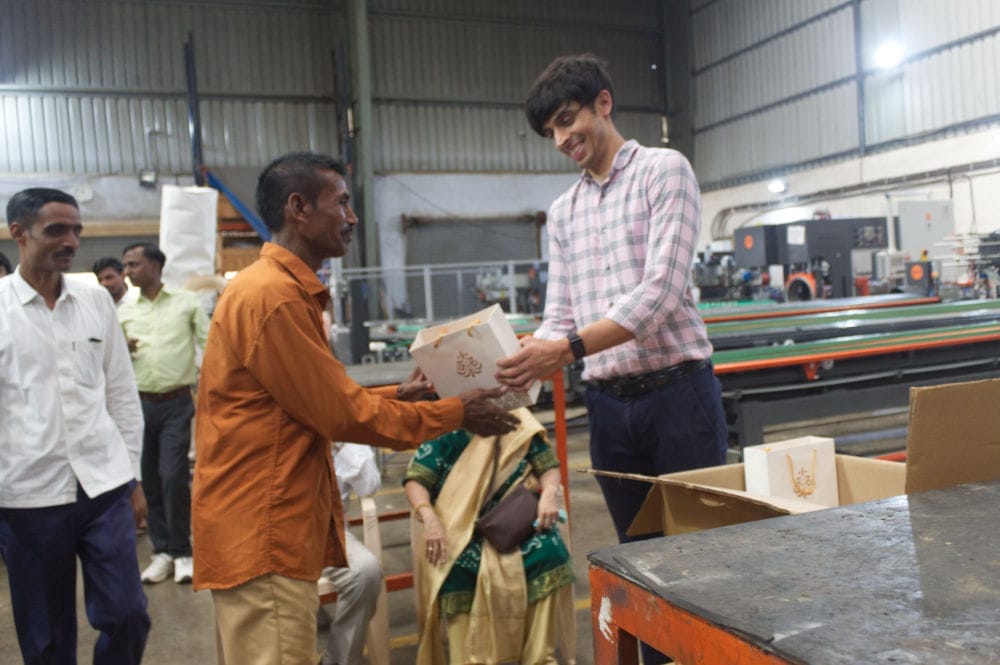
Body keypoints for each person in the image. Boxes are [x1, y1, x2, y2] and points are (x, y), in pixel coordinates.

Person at [191, 151, 520, 665]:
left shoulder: (278, 290)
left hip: (265, 525)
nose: (351, 218)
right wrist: (455, 413)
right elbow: (341, 416)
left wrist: (401, 397)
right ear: (299, 208)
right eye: (342, 202)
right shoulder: (274, 297)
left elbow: (313, 401)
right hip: (262, 531)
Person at [496, 55, 728, 664]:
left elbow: (661, 293)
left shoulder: (663, 172)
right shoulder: (564, 212)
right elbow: (558, 314)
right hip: (610, 407)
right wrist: (521, 357)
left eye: (568, 119)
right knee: (642, 562)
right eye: (550, 131)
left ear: (604, 103)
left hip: (679, 397)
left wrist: (564, 349)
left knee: (702, 561)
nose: (562, 138)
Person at [0, 187, 150, 664]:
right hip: (28, 497)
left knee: (128, 613)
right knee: (46, 638)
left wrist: (133, 477)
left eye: (77, 231)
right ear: (18, 233)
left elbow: (122, 395)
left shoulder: (95, 301)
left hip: (104, 487)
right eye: (57, 230)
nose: (71, 241)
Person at [404, 408, 574, 665]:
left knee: (548, 552)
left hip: (514, 522)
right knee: (454, 567)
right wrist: (429, 518)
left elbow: (548, 466)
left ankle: (538, 657)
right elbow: (416, 481)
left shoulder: (517, 422)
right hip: (462, 528)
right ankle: (467, 659)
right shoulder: (444, 430)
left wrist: (549, 493)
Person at [119, 242, 210, 584]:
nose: (128, 272)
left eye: (134, 264)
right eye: (126, 266)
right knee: (150, 481)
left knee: (173, 475)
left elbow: (210, 341)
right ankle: (162, 553)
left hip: (176, 402)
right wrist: (122, 346)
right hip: (139, 405)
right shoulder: (124, 312)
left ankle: (183, 551)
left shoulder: (186, 303)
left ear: (156, 265)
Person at [316, 443, 384, 665]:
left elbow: (370, 485)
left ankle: (338, 660)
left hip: (325, 532)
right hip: (273, 530)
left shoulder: (342, 425)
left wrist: (342, 444)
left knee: (365, 571)